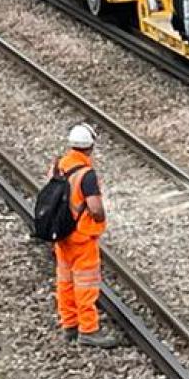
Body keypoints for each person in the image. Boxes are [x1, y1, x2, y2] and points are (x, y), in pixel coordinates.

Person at [52, 124, 120, 347]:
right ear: (90, 146)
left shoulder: (60, 165)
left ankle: (69, 325)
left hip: (61, 233)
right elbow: (95, 208)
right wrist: (99, 219)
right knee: (86, 284)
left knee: (65, 281)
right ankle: (89, 330)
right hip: (81, 236)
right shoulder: (86, 175)